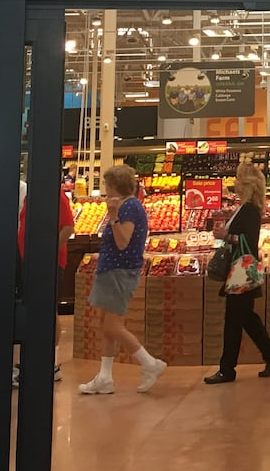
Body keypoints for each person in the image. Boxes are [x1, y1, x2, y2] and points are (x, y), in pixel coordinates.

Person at [79, 165, 166, 395]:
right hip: (112, 269)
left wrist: (114, 217)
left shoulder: (128, 207)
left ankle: (149, 363)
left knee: (112, 325)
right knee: (105, 325)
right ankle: (105, 377)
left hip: (120, 271)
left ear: (115, 185)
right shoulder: (129, 205)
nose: (105, 189)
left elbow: (123, 241)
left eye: (107, 184)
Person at [204, 161, 270, 384]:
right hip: (243, 268)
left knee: (233, 320)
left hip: (242, 270)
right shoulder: (246, 207)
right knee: (247, 318)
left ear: (246, 184)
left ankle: (227, 370)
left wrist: (225, 236)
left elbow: (247, 240)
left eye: (238, 179)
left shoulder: (249, 210)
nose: (235, 183)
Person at [15, 177, 75, 385]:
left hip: (48, 263)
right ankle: (37, 360)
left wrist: (47, 253)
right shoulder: (33, 195)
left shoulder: (55, 195)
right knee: (38, 310)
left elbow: (68, 227)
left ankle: (50, 363)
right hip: (32, 262)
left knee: (48, 310)